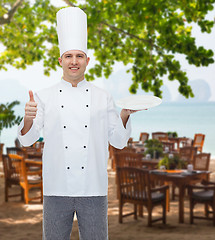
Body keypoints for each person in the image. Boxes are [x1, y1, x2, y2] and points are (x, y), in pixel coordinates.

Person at [18, 7, 136, 240]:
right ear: (60, 60)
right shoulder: (44, 96)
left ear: (87, 60)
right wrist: (29, 117)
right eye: (69, 56)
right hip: (55, 187)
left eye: (79, 56)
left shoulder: (103, 96)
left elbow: (118, 141)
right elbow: (27, 140)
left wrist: (124, 114)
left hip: (93, 187)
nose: (74, 62)